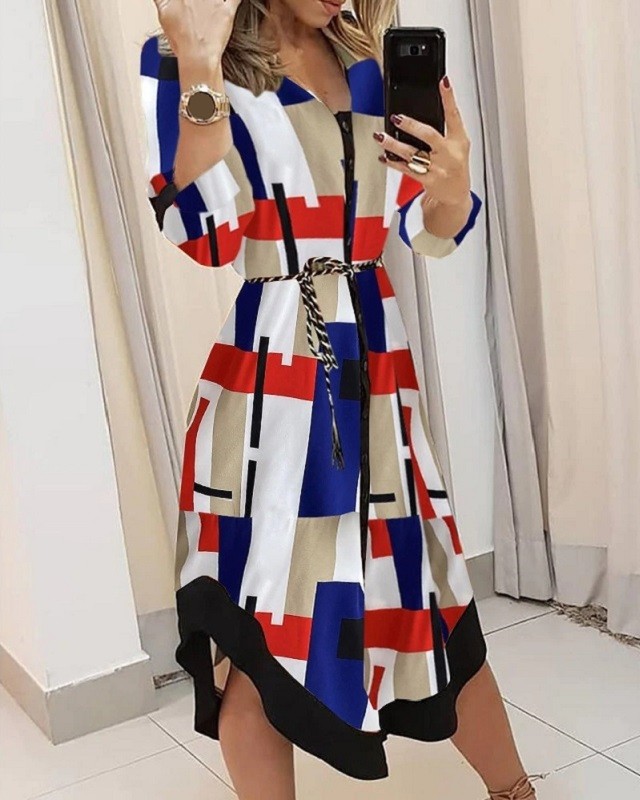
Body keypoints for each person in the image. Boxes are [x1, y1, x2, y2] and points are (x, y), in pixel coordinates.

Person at [140, 2, 540, 798]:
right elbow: (207, 235)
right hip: (271, 388)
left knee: (430, 600)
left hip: (377, 373)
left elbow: (431, 232)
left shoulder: (372, 66)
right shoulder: (185, 59)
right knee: (259, 636)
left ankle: (516, 792)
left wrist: (454, 182)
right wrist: (199, 66)